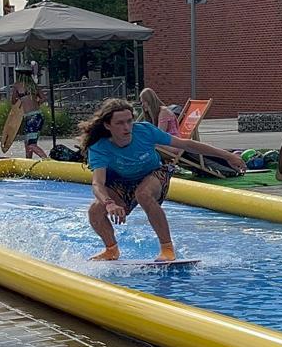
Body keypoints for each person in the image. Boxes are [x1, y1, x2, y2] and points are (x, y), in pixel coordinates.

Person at [81, 97, 245, 262]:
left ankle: (167, 248)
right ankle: (111, 250)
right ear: (107, 125)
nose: (126, 127)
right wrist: (109, 203)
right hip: (123, 180)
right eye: (120, 123)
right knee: (95, 210)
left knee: (143, 194)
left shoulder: (145, 131)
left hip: (154, 173)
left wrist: (227, 156)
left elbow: (186, 144)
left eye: (129, 121)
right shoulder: (99, 147)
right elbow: (98, 183)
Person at [10, 82, 47, 159]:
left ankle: (46, 159)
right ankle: (28, 162)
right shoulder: (33, 85)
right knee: (27, 143)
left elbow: (13, 101)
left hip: (32, 118)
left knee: (31, 144)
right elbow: (43, 98)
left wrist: (16, 91)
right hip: (37, 116)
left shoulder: (18, 86)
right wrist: (36, 104)